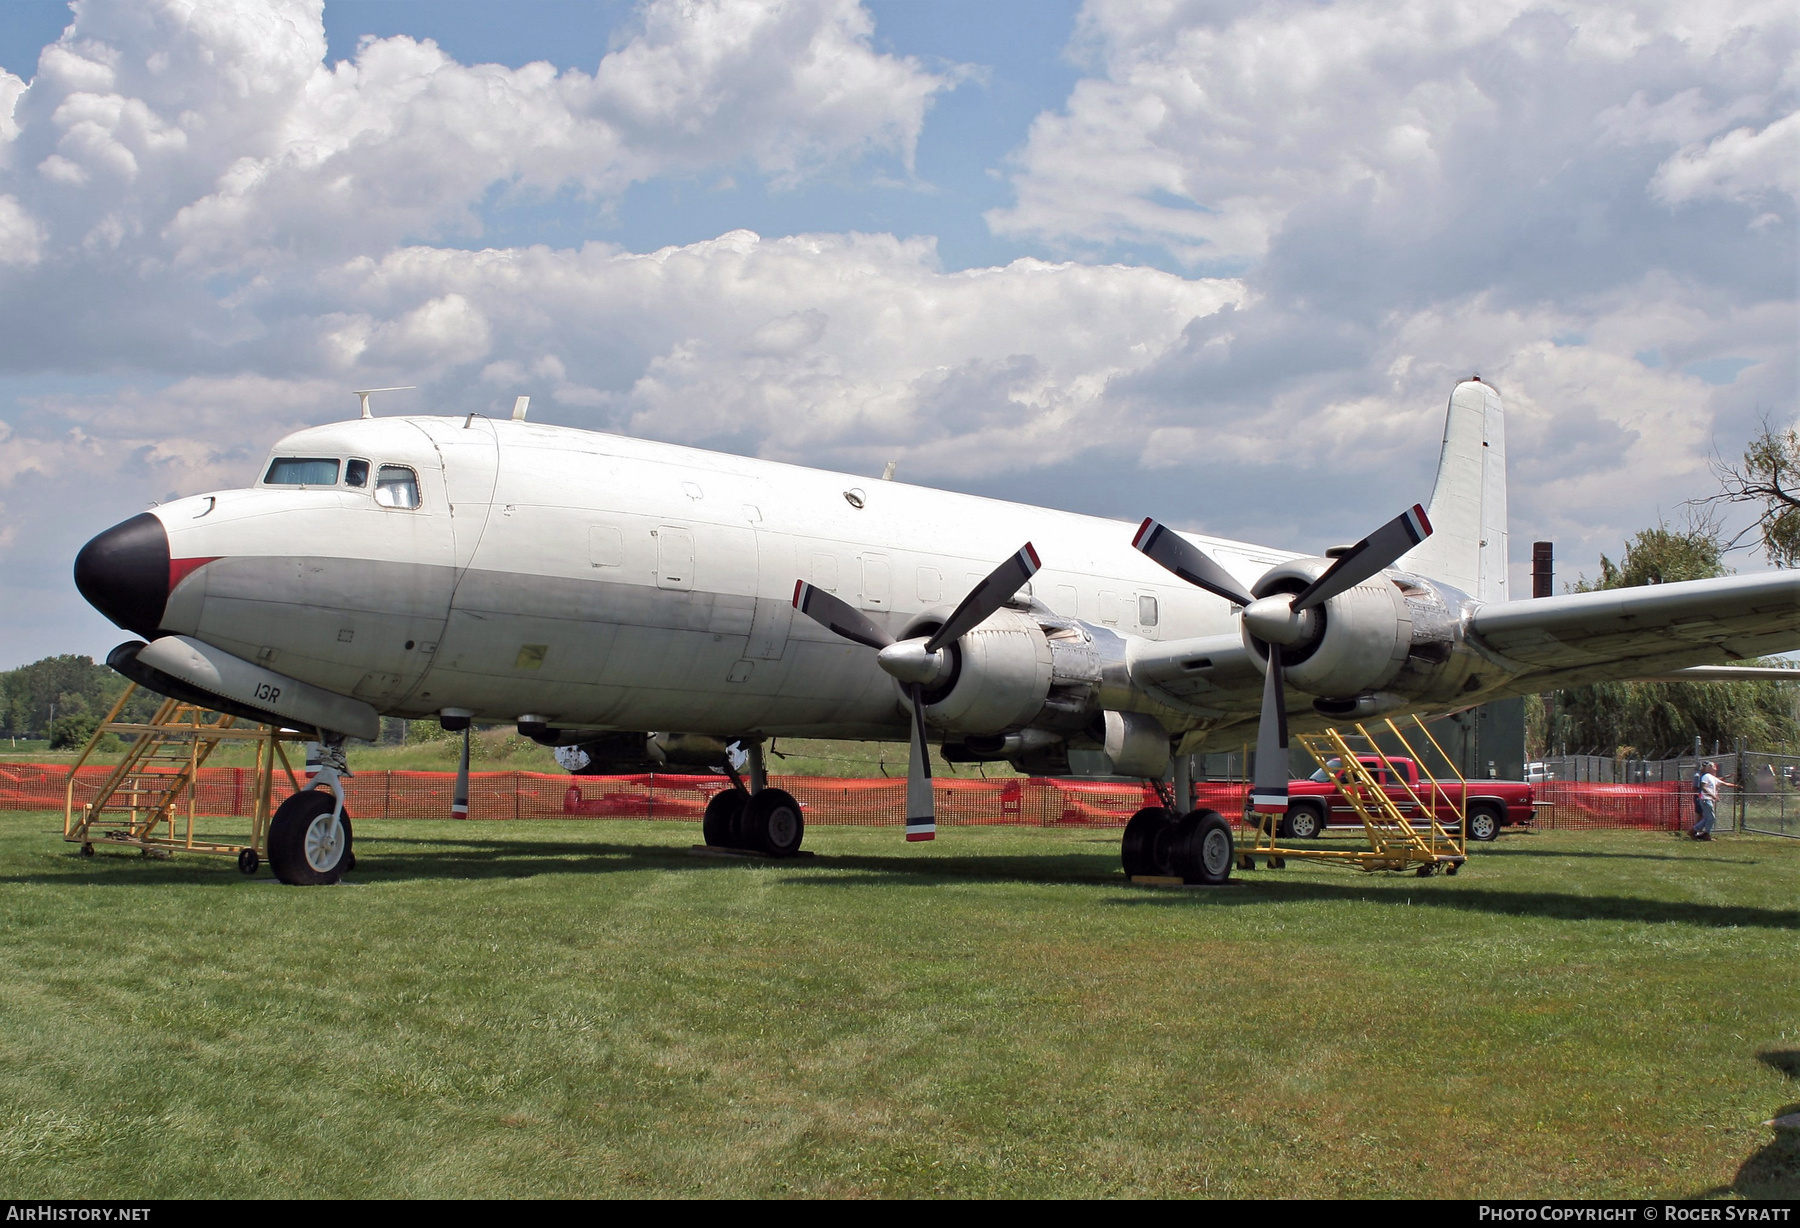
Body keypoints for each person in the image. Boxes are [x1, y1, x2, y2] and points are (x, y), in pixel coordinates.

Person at [1692, 760, 1736, 840]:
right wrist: (1701, 795)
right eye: (1705, 766)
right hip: (1701, 797)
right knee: (1702, 815)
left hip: (1707, 798)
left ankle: (1697, 832)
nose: (1705, 767)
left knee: (1707, 817)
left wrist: (1727, 777)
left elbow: (1716, 780)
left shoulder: (1709, 776)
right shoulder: (1698, 775)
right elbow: (1698, 788)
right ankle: (1696, 832)